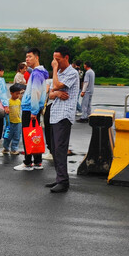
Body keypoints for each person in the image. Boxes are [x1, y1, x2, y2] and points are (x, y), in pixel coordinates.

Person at [45, 46, 80, 193]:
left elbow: (56, 85)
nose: (55, 62)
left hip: (64, 115)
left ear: (66, 58)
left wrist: (54, 71)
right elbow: (50, 93)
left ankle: (63, 181)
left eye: (57, 59)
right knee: (53, 148)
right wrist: (56, 93)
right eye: (54, 59)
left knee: (60, 148)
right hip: (54, 113)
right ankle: (60, 177)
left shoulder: (72, 73)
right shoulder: (59, 72)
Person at [14, 48, 49, 171]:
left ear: (37, 57)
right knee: (35, 135)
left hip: (30, 109)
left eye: (29, 56)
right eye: (26, 57)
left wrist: (34, 111)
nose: (27, 59)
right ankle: (37, 161)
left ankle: (28, 162)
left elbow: (35, 92)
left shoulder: (36, 73)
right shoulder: (40, 72)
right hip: (34, 108)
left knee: (28, 135)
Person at [2, 84, 22, 155]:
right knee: (7, 136)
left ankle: (14, 149)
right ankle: (6, 148)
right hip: (9, 123)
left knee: (17, 136)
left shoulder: (19, 101)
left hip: (18, 121)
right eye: (16, 94)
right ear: (11, 93)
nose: (18, 95)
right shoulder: (8, 102)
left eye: (19, 94)